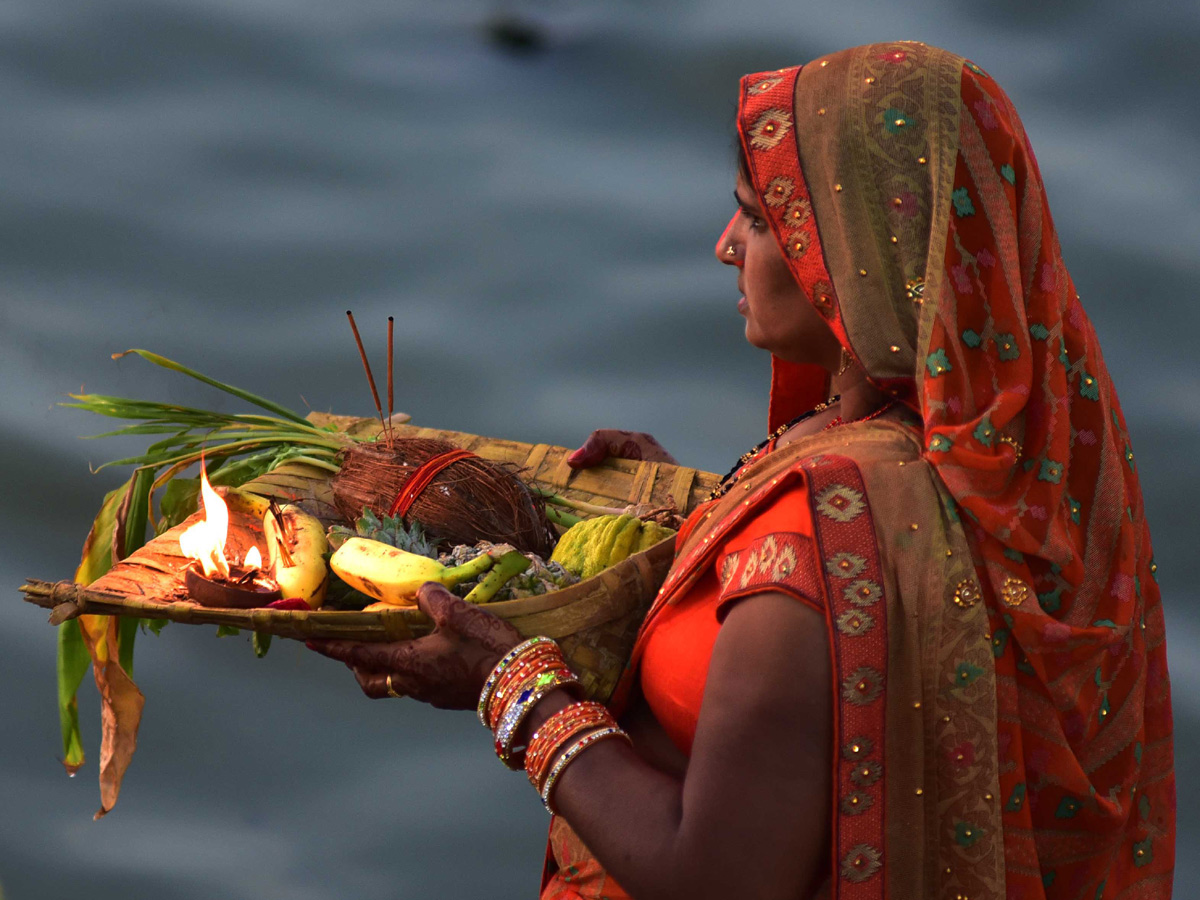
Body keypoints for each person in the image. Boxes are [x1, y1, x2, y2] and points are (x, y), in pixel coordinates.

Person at [308, 42, 1175, 899]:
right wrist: (710, 525)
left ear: (857, 259)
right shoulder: (983, 458)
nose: (728, 247)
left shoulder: (816, 544)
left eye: (761, 221)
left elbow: (715, 875)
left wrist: (514, 693)